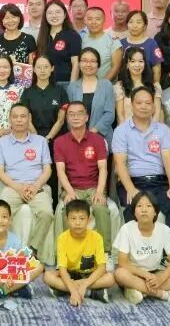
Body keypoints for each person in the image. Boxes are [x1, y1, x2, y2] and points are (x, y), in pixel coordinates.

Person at [112, 86, 170, 252]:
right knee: (134, 206)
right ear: (132, 105)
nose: (144, 106)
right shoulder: (121, 131)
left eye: (148, 103)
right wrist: (130, 189)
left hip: (159, 182)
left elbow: (168, 161)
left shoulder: (162, 130)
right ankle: (137, 253)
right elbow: (120, 164)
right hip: (133, 182)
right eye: (139, 103)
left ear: (154, 106)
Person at [112, 192, 170, 303]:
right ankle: (163, 294)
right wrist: (145, 275)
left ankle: (138, 289)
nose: (144, 210)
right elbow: (122, 263)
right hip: (134, 273)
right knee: (119, 274)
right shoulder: (126, 229)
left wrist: (160, 278)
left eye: (148, 206)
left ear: (155, 211)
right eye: (139, 206)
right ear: (134, 212)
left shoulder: (164, 230)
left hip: (156, 273)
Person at [0, 104, 54, 254]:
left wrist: (35, 186)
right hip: (13, 187)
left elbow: (47, 170)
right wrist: (18, 188)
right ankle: (0, 250)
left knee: (46, 213)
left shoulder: (40, 141)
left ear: (29, 118)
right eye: (15, 117)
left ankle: (32, 249)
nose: (19, 120)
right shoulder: (0, 143)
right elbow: (0, 172)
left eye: (23, 116)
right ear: (10, 119)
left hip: (37, 188)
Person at [52, 102, 111, 248]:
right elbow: (60, 171)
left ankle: (105, 251)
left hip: (94, 187)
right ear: (67, 118)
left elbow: (103, 168)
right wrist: (69, 192)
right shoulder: (60, 142)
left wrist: (99, 192)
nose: (76, 117)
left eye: (80, 113)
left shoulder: (97, 140)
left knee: (100, 208)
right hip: (73, 188)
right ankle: (69, 250)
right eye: (71, 114)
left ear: (86, 117)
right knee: (69, 210)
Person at [44, 200, 116, 305]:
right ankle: (91, 292)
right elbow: (62, 269)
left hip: (89, 274)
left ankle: (64, 290)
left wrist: (84, 285)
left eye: (82, 218)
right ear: (67, 220)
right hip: (70, 273)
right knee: (47, 276)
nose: (77, 223)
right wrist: (74, 291)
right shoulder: (62, 238)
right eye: (73, 218)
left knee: (110, 278)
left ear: (88, 220)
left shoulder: (97, 237)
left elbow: (101, 268)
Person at [66, 48, 117, 143]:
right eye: (84, 61)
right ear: (79, 63)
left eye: (93, 61)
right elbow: (69, 115)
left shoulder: (106, 85)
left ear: (98, 65)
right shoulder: (72, 87)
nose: (88, 64)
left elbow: (110, 113)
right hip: (77, 139)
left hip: (101, 138)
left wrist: (92, 132)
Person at [21, 57, 67, 141]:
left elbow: (61, 120)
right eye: (39, 67)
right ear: (34, 69)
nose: (42, 70)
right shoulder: (27, 92)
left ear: (52, 68)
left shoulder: (60, 91)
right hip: (34, 138)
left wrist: (48, 138)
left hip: (58, 138)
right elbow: (27, 120)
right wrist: (38, 140)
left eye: (46, 67)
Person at [37, 0, 82, 85]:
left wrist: (72, 86)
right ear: (45, 16)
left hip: (65, 84)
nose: (54, 16)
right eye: (50, 13)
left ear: (64, 15)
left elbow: (76, 64)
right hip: (45, 84)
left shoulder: (72, 35)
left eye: (58, 12)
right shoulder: (43, 36)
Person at [0, 3, 36, 81]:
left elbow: (32, 66)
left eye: (13, 17)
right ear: (2, 20)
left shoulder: (29, 39)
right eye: (7, 18)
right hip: (0, 85)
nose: (10, 21)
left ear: (19, 18)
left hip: (22, 85)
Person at [115, 46, 160, 124]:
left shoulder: (154, 86)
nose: (137, 65)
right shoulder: (120, 87)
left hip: (150, 129)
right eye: (132, 61)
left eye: (140, 61)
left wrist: (150, 130)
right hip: (127, 129)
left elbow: (157, 114)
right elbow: (120, 115)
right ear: (127, 64)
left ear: (145, 63)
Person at [80, 7, 123, 82]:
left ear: (104, 20)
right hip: (83, 85)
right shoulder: (80, 40)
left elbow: (115, 67)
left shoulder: (113, 41)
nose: (94, 22)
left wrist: (102, 85)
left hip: (106, 86)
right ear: (85, 21)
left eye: (97, 19)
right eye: (90, 19)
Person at [120, 10, 163, 85]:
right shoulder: (121, 43)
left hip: (147, 86)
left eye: (138, 22)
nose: (134, 25)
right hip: (125, 86)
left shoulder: (151, 43)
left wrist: (156, 86)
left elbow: (157, 69)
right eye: (131, 22)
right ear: (127, 25)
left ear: (145, 26)